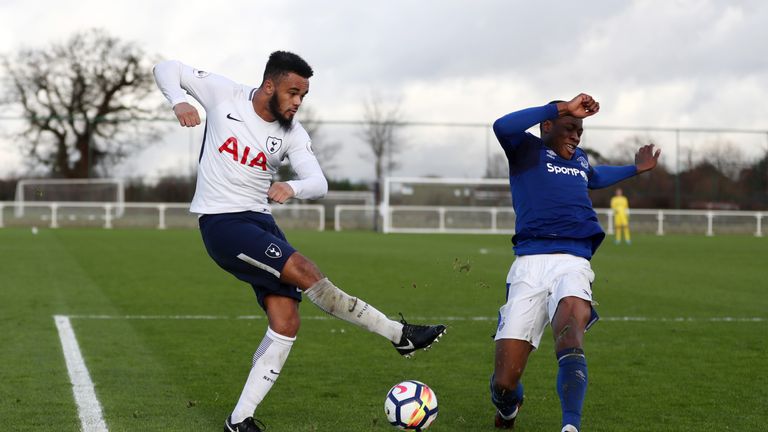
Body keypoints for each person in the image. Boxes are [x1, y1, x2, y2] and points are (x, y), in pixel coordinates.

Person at [153, 51, 446, 432]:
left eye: (303, 96)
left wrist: (291, 186)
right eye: (293, 92)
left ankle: (238, 421)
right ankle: (398, 334)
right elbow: (166, 67)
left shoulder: (293, 134)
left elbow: (318, 182)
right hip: (223, 223)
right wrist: (178, 100)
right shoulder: (224, 94)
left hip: (261, 223)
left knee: (286, 321)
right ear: (270, 85)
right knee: (306, 271)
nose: (297, 102)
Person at [488, 94, 660, 432]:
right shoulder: (525, 151)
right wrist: (563, 106)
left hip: (573, 261)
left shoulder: (579, 160)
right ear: (547, 126)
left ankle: (570, 426)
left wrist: (635, 169)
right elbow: (501, 125)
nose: (576, 136)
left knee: (570, 331)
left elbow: (595, 176)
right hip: (528, 267)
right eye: (569, 128)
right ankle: (509, 407)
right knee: (504, 383)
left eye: (580, 131)